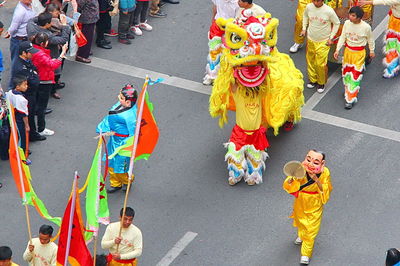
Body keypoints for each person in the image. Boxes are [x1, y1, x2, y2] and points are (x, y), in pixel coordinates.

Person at [283, 150, 332, 265]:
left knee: (311, 229)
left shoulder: (325, 173)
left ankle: (305, 254)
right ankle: (301, 235)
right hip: (301, 201)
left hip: (314, 203)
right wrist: (291, 180)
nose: (310, 164)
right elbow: (292, 183)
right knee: (300, 221)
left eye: (315, 162)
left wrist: (315, 179)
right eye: (308, 160)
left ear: (322, 163)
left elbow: (325, 188)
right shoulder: (301, 169)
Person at [96, 84, 137, 193]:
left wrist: (132, 145)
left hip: (125, 144)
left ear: (128, 102)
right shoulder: (118, 106)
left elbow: (134, 132)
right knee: (111, 163)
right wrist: (102, 129)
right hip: (114, 140)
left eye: (121, 97)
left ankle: (127, 181)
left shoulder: (131, 117)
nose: (119, 98)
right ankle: (116, 183)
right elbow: (109, 119)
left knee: (121, 166)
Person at [334, 6, 375, 109]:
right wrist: (337, 50)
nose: (350, 17)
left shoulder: (366, 27)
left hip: (359, 54)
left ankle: (350, 98)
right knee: (347, 73)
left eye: (353, 16)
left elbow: (370, 39)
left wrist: (372, 51)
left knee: (355, 75)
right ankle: (348, 91)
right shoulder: (347, 23)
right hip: (348, 52)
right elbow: (343, 37)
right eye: (350, 15)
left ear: (359, 17)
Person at [27, 10, 70, 99]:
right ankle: (53, 90)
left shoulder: (30, 26)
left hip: (35, 56)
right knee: (55, 73)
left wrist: (44, 16)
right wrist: (65, 25)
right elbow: (63, 39)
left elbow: (31, 20)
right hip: (51, 56)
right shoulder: (48, 36)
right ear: (47, 24)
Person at [31, 32, 67, 137]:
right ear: (43, 43)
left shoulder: (33, 49)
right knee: (42, 107)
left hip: (37, 79)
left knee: (35, 104)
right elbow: (52, 65)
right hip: (44, 81)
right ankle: (41, 128)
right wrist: (62, 54)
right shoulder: (41, 54)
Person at [301, 0, 340, 93]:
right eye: (314, 0)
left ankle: (321, 82)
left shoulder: (329, 11)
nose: (315, 3)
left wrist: (331, 38)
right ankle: (313, 80)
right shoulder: (309, 7)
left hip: (323, 42)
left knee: (320, 64)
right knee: (310, 60)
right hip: (311, 39)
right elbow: (305, 16)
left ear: (322, 1)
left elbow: (337, 23)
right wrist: (303, 29)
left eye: (317, 1)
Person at [10, 41, 45, 142]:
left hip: (31, 92)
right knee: (28, 115)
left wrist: (34, 75)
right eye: (30, 52)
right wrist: (34, 76)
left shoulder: (26, 61)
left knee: (32, 112)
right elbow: (33, 81)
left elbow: (35, 71)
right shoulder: (20, 66)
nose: (32, 54)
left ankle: (32, 133)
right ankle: (31, 135)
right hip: (27, 94)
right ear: (23, 53)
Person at [359, 0, 400, 78]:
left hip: (398, 23)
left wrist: (368, 2)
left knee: (394, 46)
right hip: (394, 21)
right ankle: (392, 68)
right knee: (392, 45)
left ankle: (392, 68)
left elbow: (385, 1)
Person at [202, 0, 239, 86]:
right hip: (217, 26)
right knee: (214, 52)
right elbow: (215, 7)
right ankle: (211, 76)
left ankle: (229, 76)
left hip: (232, 28)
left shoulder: (238, 2)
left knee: (231, 52)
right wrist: (213, 21)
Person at [4, 0, 36, 65]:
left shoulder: (31, 5)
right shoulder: (20, 11)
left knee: (28, 59)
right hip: (19, 40)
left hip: (27, 38)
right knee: (17, 61)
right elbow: (14, 27)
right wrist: (10, 33)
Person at [5, 75, 30, 155]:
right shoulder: (21, 99)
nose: (26, 86)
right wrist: (27, 125)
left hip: (11, 117)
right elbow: (24, 114)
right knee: (22, 137)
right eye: (24, 84)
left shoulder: (10, 93)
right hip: (19, 120)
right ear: (18, 86)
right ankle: (22, 155)